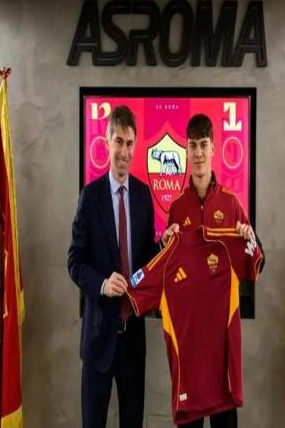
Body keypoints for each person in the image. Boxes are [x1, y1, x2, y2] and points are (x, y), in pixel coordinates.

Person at [68, 105, 170, 428]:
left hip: (133, 341)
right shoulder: (90, 197)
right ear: (107, 142)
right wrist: (101, 284)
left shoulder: (142, 196)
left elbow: (145, 260)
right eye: (118, 142)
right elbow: (75, 261)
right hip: (98, 339)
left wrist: (163, 247)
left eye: (129, 143)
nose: (124, 152)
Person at [163, 113, 265, 428]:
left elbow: (257, 263)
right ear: (186, 150)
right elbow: (166, 270)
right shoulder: (177, 208)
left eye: (203, 145)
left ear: (213, 148)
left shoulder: (232, 204)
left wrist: (248, 238)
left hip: (221, 346)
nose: (197, 153)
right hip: (190, 342)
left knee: (224, 422)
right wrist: (164, 244)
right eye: (192, 145)